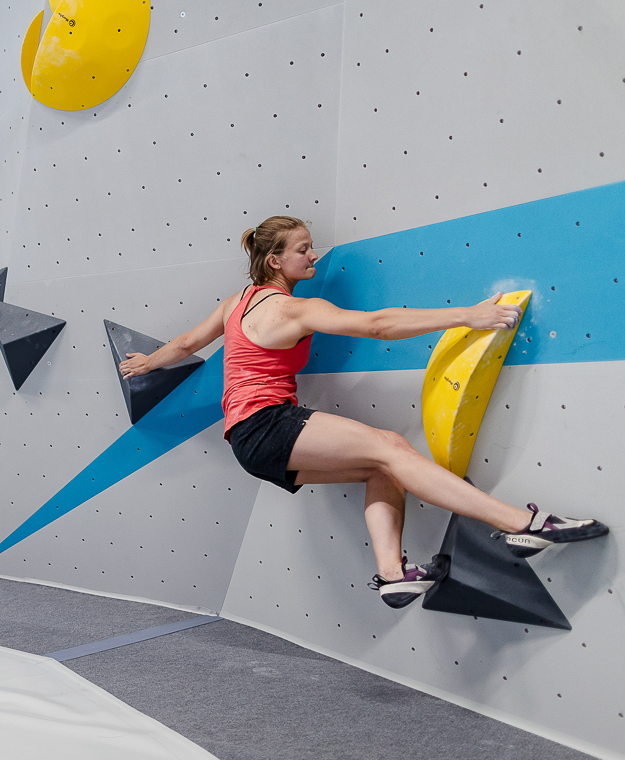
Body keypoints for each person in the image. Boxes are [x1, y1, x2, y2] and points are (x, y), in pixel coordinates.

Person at [119, 215, 609, 608]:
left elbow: (187, 342)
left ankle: (394, 577)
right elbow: (376, 325)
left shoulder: (236, 304)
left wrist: (147, 362)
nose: (313, 255)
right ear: (275, 259)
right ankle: (522, 526)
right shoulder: (291, 309)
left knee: (384, 465)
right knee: (391, 448)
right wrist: (468, 315)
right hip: (268, 423)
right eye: (304, 248)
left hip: (248, 442)